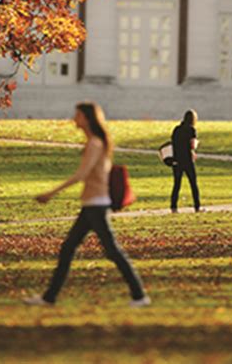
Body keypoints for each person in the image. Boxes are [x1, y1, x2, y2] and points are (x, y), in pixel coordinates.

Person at [24, 102, 150, 308]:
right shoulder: (96, 142)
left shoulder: (95, 144)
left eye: (78, 115)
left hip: (96, 205)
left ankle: (139, 295)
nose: (74, 119)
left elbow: (81, 175)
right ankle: (49, 297)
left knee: (112, 251)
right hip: (91, 205)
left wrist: (51, 193)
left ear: (87, 118)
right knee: (68, 249)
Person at [170, 109, 201, 213]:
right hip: (187, 160)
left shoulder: (176, 129)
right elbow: (192, 145)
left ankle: (173, 206)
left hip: (177, 160)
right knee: (193, 184)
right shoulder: (191, 130)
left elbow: (173, 143)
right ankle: (197, 206)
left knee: (177, 184)